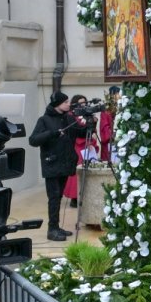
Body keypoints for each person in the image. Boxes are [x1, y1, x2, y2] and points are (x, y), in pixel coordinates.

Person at [28, 91, 89, 242]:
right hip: (52, 164)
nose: (69, 104)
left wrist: (90, 123)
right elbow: (33, 140)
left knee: (59, 196)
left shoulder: (68, 118)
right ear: (58, 104)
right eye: (66, 102)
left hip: (65, 163)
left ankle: (56, 226)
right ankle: (52, 229)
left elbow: (80, 133)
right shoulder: (44, 120)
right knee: (54, 197)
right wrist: (51, 134)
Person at [62, 94, 94, 208]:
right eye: (80, 103)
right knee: (76, 173)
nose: (83, 105)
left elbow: (90, 130)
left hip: (87, 145)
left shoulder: (86, 115)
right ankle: (74, 197)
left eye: (85, 103)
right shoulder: (71, 116)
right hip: (77, 146)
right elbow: (75, 132)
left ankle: (86, 195)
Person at [98, 85, 119, 162]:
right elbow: (104, 126)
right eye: (115, 95)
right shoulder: (105, 110)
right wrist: (113, 135)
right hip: (110, 141)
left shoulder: (122, 107)